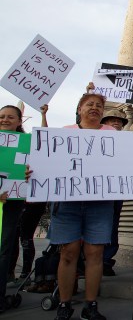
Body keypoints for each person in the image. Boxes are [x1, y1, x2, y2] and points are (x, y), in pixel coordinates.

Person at [25, 93, 117, 320]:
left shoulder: (112, 134)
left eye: (99, 105)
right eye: (90, 104)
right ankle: (65, 304)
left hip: (100, 204)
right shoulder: (66, 132)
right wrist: (34, 171)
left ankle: (91, 305)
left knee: (95, 254)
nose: (94, 108)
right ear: (79, 108)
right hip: (68, 203)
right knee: (68, 253)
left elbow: (120, 165)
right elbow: (47, 159)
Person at [0, 104, 46, 313]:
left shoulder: (27, 144)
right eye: (1, 116)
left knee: (4, 248)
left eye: (10, 117)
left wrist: (30, 173)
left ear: (20, 121)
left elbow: (44, 150)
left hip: (11, 202)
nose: (5, 120)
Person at [99, 109, 128, 277]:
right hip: (95, 191)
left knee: (112, 225)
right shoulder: (94, 138)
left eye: (119, 121)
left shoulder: (128, 142)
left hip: (116, 191)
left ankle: (106, 259)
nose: (116, 123)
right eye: (112, 120)